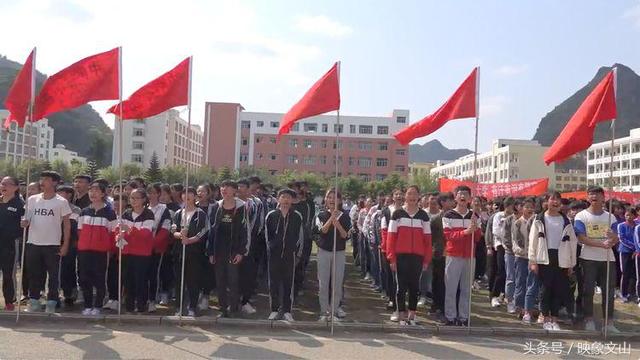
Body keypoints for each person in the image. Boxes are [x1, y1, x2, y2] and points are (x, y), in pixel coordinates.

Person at [21, 171, 71, 313]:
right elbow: (27, 218)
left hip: (52, 244)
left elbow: (66, 225)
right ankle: (34, 301)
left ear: (55, 182)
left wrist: (65, 244)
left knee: (53, 276)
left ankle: (52, 302)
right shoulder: (32, 199)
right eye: (41, 178)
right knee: (34, 274)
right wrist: (24, 222)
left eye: (47, 179)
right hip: (33, 243)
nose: (42, 181)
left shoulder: (61, 202)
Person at [529, 191, 578, 331]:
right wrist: (533, 261)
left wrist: (571, 263)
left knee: (558, 290)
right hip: (544, 257)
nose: (555, 202)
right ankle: (545, 318)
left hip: (561, 258)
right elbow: (532, 241)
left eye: (558, 200)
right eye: (552, 199)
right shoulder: (539, 219)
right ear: (547, 202)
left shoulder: (566, 221)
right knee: (545, 290)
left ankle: (555, 319)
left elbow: (572, 243)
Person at [574, 186, 620, 332]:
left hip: (608, 259)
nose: (593, 196)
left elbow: (616, 239)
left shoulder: (610, 217)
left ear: (603, 197)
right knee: (588, 290)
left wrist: (612, 237)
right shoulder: (581, 216)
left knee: (608, 291)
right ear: (587, 198)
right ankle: (588, 319)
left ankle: (609, 322)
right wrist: (601, 244)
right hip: (588, 258)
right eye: (590, 194)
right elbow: (581, 238)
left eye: (596, 194)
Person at [387, 185, 432, 325]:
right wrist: (391, 258)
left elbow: (428, 240)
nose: (412, 196)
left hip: (417, 257)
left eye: (415, 194)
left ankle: (412, 315)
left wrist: (426, 260)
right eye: (409, 193)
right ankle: (401, 315)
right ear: (405, 196)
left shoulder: (423, 216)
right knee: (401, 287)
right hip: (401, 256)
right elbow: (390, 237)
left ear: (419, 197)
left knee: (414, 287)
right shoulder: (397, 214)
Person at [207, 180, 248, 318]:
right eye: (222, 187)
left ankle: (234, 308)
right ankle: (222, 308)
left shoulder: (242, 207)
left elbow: (245, 231)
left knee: (233, 280)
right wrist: (210, 252)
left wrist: (241, 252)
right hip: (218, 250)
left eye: (228, 187)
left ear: (235, 190)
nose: (224, 189)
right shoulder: (215, 207)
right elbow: (211, 231)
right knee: (220, 280)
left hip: (233, 250)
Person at [77, 181, 117, 316]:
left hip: (100, 251)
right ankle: (87, 305)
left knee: (99, 279)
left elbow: (113, 233)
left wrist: (110, 250)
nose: (92, 193)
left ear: (102, 193)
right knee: (84, 278)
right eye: (91, 190)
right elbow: (79, 231)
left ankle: (98, 305)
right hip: (84, 250)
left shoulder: (110, 213)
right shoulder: (84, 211)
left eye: (96, 190)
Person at [442, 185, 480, 326]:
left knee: (466, 289)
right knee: (451, 288)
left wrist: (475, 229)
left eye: (465, 194)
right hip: (453, 255)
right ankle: (450, 316)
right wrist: (465, 232)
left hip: (469, 255)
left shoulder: (474, 215)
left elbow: (477, 238)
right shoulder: (448, 215)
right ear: (456, 197)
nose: (463, 196)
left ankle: (463, 317)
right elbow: (448, 236)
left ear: (470, 198)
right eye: (460, 194)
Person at [264, 188, 304, 321]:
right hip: (274, 255)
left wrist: (296, 253)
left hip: (289, 255)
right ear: (278, 199)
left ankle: (287, 310)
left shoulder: (297, 216)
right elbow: (266, 236)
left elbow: (300, 236)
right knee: (273, 283)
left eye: (288, 197)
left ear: (292, 200)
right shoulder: (271, 215)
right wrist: (271, 249)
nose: (286, 200)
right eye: (283, 197)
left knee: (288, 283)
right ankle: (274, 309)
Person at [315, 188, 351, 322]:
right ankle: (324, 312)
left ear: (339, 200)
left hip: (339, 252)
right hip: (324, 252)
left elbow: (345, 235)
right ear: (325, 199)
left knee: (337, 283)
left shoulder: (345, 216)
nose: (331, 200)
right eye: (329, 197)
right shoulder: (321, 215)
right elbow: (322, 231)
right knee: (323, 283)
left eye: (334, 197)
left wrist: (338, 224)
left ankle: (334, 311)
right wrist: (331, 219)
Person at [173, 187, 208, 317]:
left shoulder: (200, 214)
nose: (186, 196)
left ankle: (192, 306)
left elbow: (204, 230)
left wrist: (191, 240)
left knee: (193, 280)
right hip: (179, 251)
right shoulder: (178, 213)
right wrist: (179, 235)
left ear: (194, 197)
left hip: (194, 252)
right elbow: (173, 229)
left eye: (190, 194)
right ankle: (179, 307)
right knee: (179, 281)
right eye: (184, 194)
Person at [119, 188, 155, 314]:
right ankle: (129, 305)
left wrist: (129, 230)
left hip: (142, 253)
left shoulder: (148, 214)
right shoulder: (126, 213)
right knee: (128, 279)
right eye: (132, 198)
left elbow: (145, 233)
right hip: (127, 251)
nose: (133, 201)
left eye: (137, 198)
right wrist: (118, 236)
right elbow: (119, 230)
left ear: (144, 199)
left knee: (141, 279)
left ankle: (141, 305)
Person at [146, 183, 173, 312]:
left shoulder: (164, 209)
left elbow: (165, 229)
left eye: (154, 193)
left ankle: (152, 299)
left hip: (156, 248)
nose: (151, 195)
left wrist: (152, 243)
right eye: (149, 193)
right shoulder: (143, 207)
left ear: (158, 194)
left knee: (153, 274)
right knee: (142, 274)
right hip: (141, 248)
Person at [0, 176, 25, 310]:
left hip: (10, 244)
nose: (3, 186)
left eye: (7, 184)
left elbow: (23, 224)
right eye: (2, 183)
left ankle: (9, 301)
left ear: (15, 187)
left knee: (8, 273)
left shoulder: (19, 204)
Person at [429, 192, 454, 317]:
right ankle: (436, 304)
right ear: (443, 203)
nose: (452, 203)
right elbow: (431, 238)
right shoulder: (435, 219)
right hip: (439, 254)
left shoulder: (455, 217)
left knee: (449, 282)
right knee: (437, 280)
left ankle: (446, 306)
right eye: (449, 200)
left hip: (452, 254)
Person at [380, 188, 404, 319]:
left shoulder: (407, 210)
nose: (399, 196)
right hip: (388, 248)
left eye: (401, 194)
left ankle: (400, 303)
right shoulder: (387, 211)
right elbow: (384, 230)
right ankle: (391, 298)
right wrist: (386, 246)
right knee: (390, 275)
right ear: (393, 197)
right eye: (396, 194)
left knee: (400, 278)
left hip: (402, 249)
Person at [57, 185, 82, 307]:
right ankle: (55, 294)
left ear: (69, 195)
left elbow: (75, 229)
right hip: (54, 242)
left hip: (71, 244)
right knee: (55, 270)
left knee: (68, 269)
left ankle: (69, 294)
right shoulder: (54, 207)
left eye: (61, 193)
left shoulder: (76, 210)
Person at [512, 197, 536, 322]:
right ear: (521, 208)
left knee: (531, 283)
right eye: (526, 207)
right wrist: (522, 251)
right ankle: (519, 307)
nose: (529, 209)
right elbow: (514, 241)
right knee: (520, 282)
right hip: (521, 257)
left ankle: (529, 308)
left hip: (533, 257)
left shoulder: (537, 221)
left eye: (531, 207)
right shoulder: (517, 223)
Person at [616, 207, 637, 303]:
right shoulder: (621, 225)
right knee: (625, 273)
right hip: (625, 252)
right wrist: (634, 247)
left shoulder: (637, 225)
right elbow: (622, 239)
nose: (628, 217)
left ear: (634, 216)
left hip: (636, 252)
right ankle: (623, 293)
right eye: (627, 215)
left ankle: (631, 292)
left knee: (634, 273)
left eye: (630, 215)